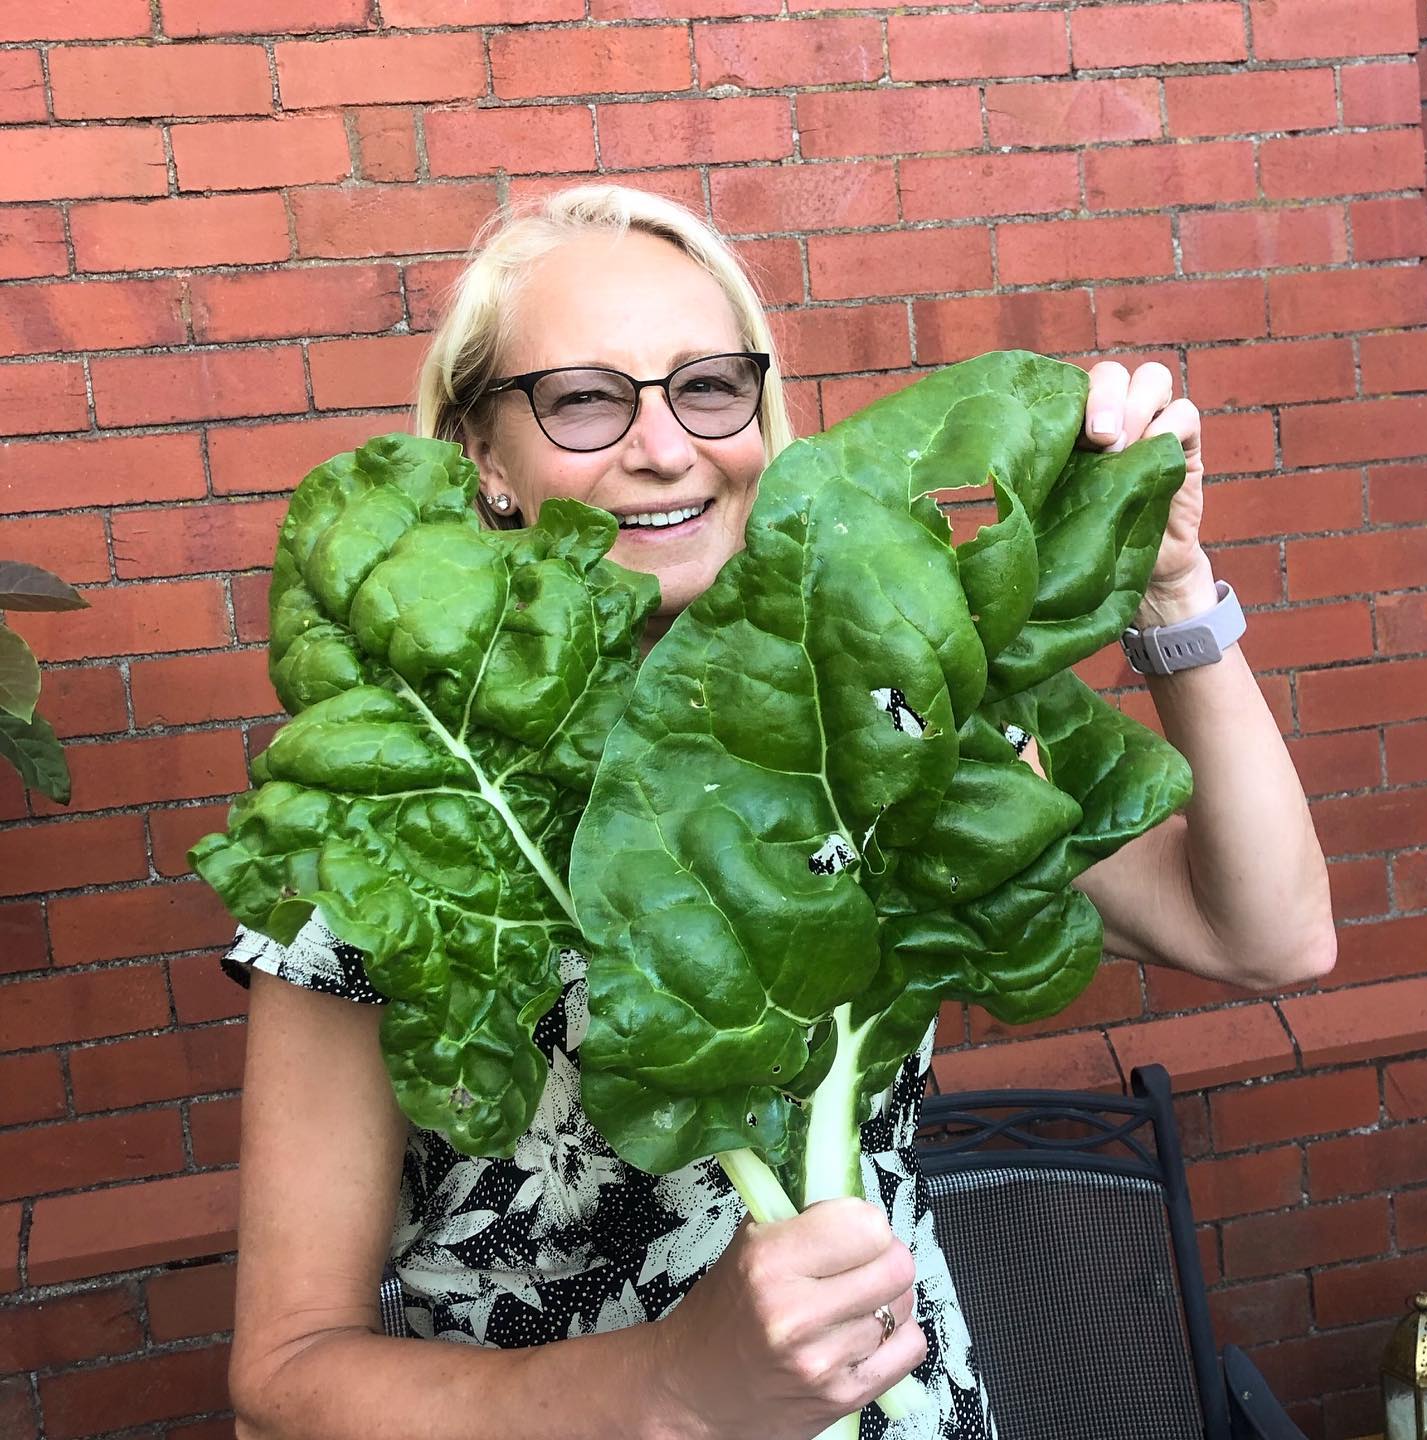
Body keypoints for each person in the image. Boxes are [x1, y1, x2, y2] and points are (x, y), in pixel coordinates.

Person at [221, 185, 1336, 1440]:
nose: (663, 445)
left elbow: (1267, 936)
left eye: (709, 385)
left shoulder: (884, 706)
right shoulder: (393, 796)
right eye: (585, 397)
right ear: (486, 455)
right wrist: (675, 1387)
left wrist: (1170, 581)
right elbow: (286, 1373)